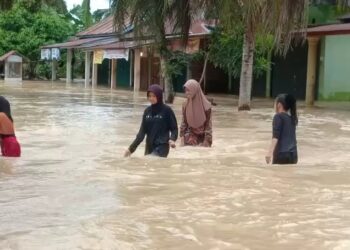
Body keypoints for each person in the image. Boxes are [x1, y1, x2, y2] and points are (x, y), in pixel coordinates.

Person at [124, 84, 178, 158]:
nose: (151, 98)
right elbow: (141, 133)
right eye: (149, 96)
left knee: (151, 160)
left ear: (159, 96)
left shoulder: (167, 110)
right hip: (149, 146)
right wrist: (130, 149)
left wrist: (172, 139)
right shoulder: (147, 111)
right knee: (148, 166)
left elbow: (174, 128)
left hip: (162, 146)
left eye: (154, 96)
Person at [266, 94, 298, 165]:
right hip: (294, 155)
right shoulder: (292, 118)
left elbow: (275, 137)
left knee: (276, 175)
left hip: (281, 154)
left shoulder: (278, 116)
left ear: (279, 105)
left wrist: (269, 153)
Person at [180, 79, 212, 147]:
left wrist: (206, 141)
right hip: (191, 134)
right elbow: (184, 123)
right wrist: (182, 138)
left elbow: (208, 125)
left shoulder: (206, 106)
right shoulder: (185, 105)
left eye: (189, 90)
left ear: (194, 90)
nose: (186, 93)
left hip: (204, 135)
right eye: (185, 91)